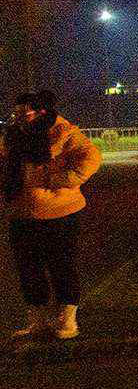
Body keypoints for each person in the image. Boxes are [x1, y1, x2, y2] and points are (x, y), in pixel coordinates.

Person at [6, 90, 102, 341]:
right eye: (16, 112)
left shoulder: (63, 132)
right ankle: (37, 322)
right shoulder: (14, 135)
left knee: (61, 267)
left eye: (23, 112)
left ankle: (67, 321)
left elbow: (91, 158)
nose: (19, 117)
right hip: (22, 212)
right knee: (29, 269)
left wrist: (57, 180)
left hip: (60, 212)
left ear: (42, 112)